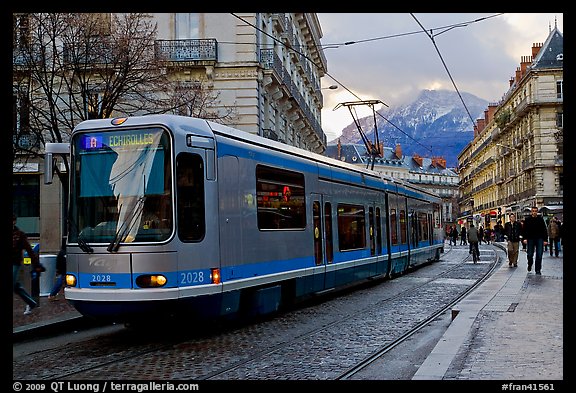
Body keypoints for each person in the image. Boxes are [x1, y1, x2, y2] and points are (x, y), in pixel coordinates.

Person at [13, 213, 43, 315]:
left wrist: (36, 264)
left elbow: (29, 250)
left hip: (15, 262)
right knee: (15, 286)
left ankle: (31, 303)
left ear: (14, 221)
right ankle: (31, 302)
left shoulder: (20, 235)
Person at [522, 206, 548, 275]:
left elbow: (544, 230)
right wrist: (524, 238)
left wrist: (545, 240)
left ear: (537, 212)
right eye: (533, 211)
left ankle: (538, 269)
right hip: (530, 239)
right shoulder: (527, 220)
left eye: (535, 211)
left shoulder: (540, 219)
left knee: (539, 254)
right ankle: (530, 264)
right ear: (531, 212)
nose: (534, 212)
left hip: (539, 238)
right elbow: (524, 230)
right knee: (530, 254)